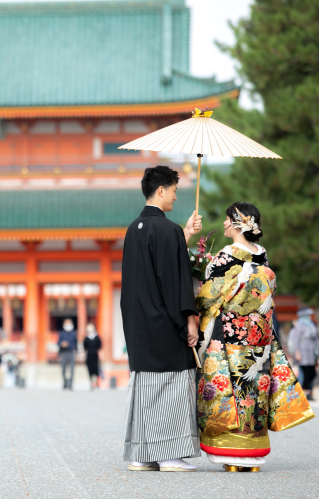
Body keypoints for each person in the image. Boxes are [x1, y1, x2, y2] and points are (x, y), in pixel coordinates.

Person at [196, 202, 315, 472]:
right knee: (255, 390)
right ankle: (254, 455)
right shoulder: (262, 256)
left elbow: (209, 296)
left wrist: (201, 274)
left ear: (238, 224)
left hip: (229, 334)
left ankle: (232, 456)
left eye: (227, 220)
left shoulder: (228, 255)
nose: (224, 224)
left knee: (229, 390)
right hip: (260, 336)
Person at [120, 165, 202, 472]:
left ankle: (142, 454)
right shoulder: (167, 231)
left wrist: (187, 234)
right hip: (165, 324)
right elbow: (175, 280)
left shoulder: (133, 229)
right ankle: (169, 455)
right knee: (172, 386)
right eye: (175, 191)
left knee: (145, 389)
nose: (176, 198)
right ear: (162, 190)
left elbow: (153, 266)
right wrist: (189, 320)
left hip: (139, 324)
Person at [288, 308, 319, 402]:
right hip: (302, 352)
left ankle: (305, 391)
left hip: (311, 352)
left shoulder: (311, 325)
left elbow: (316, 338)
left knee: (312, 372)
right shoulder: (299, 326)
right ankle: (306, 393)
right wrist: (297, 352)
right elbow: (296, 340)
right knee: (305, 373)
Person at [58, 320, 77, 390]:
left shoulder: (74, 333)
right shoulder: (62, 333)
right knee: (63, 369)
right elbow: (58, 342)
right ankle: (64, 383)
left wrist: (76, 352)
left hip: (71, 353)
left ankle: (71, 384)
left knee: (72, 369)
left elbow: (76, 344)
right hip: (63, 353)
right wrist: (62, 344)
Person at [83, 323, 102, 390]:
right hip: (89, 355)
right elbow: (84, 348)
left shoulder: (97, 337)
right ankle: (91, 382)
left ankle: (96, 382)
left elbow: (100, 347)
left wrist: (101, 355)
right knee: (90, 369)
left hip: (95, 355)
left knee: (96, 368)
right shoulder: (86, 338)